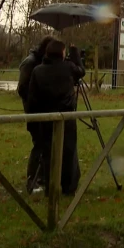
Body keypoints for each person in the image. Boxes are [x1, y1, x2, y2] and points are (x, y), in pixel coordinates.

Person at [27, 40, 85, 196]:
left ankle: (50, 185)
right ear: (62, 53)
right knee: (68, 151)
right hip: (66, 117)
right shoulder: (67, 67)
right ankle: (68, 186)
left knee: (47, 154)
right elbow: (80, 71)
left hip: (46, 118)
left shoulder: (38, 70)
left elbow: (32, 98)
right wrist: (75, 53)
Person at [17, 36, 54, 192]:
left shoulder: (41, 62)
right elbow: (22, 88)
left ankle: (43, 177)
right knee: (39, 144)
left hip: (43, 109)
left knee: (46, 144)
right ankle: (33, 179)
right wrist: (36, 101)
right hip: (34, 110)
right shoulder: (30, 63)